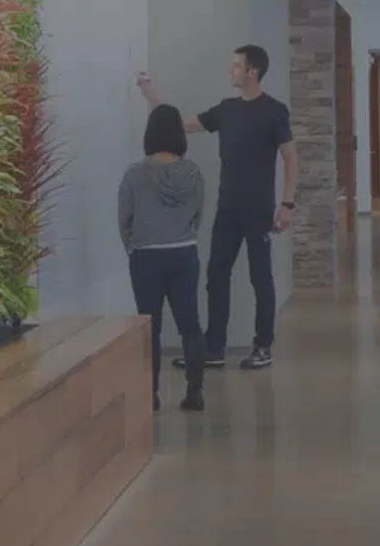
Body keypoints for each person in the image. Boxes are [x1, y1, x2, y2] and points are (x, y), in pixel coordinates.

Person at [137, 44, 298, 372]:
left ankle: (262, 346)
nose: (231, 71)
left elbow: (291, 157)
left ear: (252, 71)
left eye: (236, 65)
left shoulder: (274, 111)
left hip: (258, 210)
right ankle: (214, 348)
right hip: (228, 209)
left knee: (260, 278)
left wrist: (287, 205)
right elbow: (180, 126)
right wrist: (151, 96)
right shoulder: (226, 110)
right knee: (215, 276)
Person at [118, 105, 207, 413]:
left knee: (150, 326)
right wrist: (183, 235)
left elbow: (124, 219)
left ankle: (151, 394)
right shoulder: (193, 172)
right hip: (184, 253)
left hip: (146, 257)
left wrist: (133, 245)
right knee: (190, 324)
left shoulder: (135, 173)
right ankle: (195, 392)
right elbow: (199, 215)